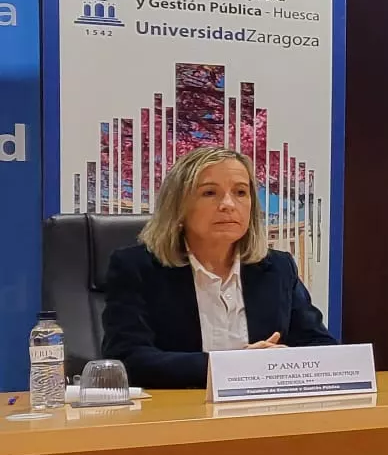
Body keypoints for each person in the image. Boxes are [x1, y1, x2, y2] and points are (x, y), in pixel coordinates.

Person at [101, 146, 335, 388]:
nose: (228, 204)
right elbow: (127, 360)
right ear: (178, 207)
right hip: (179, 415)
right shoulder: (137, 267)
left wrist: (282, 363)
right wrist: (233, 366)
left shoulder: (278, 268)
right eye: (210, 193)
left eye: (241, 192)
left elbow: (321, 346)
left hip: (265, 415)